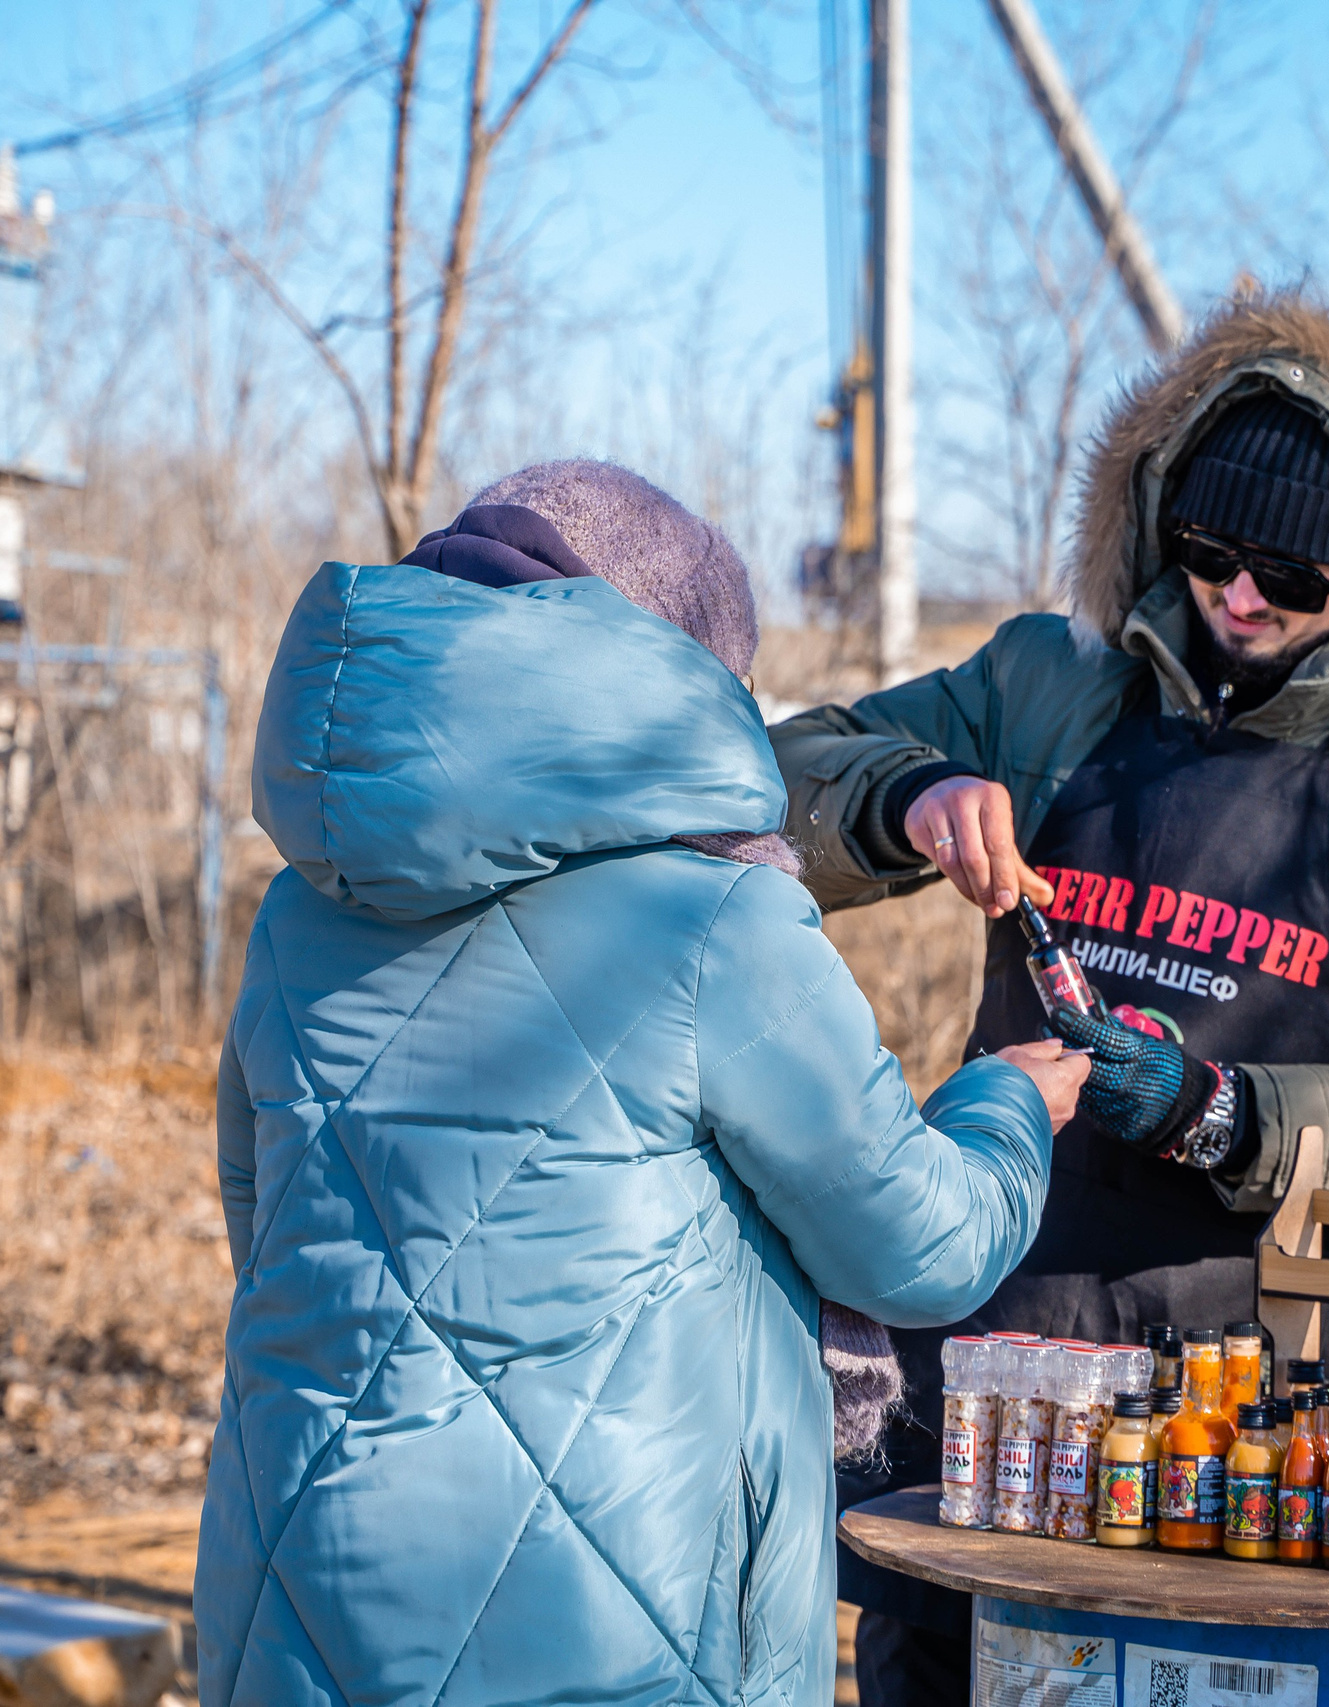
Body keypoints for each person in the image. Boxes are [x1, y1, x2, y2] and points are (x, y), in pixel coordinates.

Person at [773, 295, 1329, 1703]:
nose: (1241, 597)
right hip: (994, 1376)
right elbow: (760, 784)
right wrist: (906, 793)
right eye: (1209, 554)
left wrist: (1228, 1112)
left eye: (1291, 570)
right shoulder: (1046, 689)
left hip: (1263, 1422)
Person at [197, 461, 1082, 1707]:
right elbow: (918, 1247)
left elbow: (266, 1226)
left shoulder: (299, 910)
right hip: (609, 1612)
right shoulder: (714, 921)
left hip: (295, 1582)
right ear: (679, 673)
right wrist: (1002, 1103)